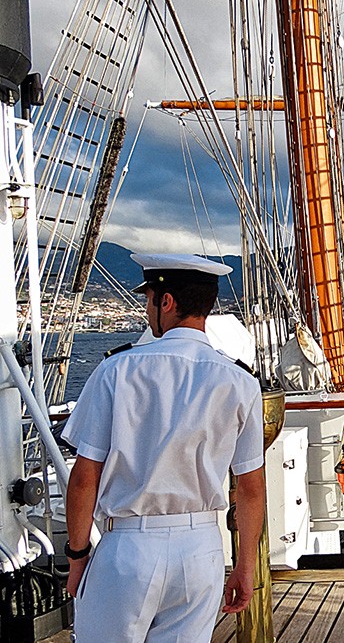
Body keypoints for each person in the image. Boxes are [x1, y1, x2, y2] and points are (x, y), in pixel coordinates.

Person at [62, 254, 266, 642]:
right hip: (202, 552)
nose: (147, 309)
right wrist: (245, 566)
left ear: (166, 302)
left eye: (149, 299)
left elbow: (85, 478)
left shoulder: (116, 370)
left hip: (129, 549)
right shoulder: (240, 382)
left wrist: (77, 556)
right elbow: (250, 489)